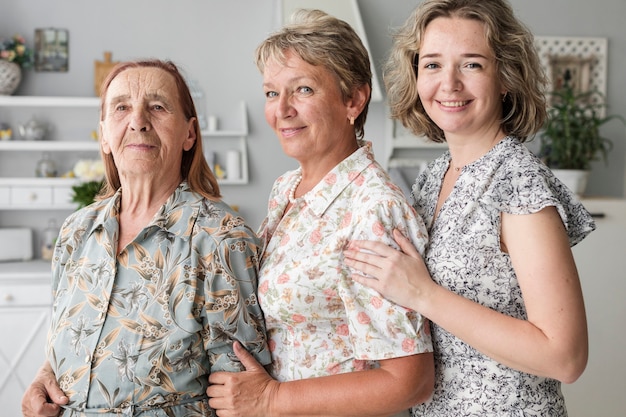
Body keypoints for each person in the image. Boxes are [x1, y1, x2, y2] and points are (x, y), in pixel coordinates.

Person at [342, 0, 596, 416]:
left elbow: (565, 357)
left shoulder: (517, 180)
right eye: (433, 65)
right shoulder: (432, 176)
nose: (450, 84)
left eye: (472, 65)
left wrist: (423, 294)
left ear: (506, 78)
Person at [206, 9, 434, 417]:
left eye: (304, 90)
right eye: (272, 93)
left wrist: (270, 399)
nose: (282, 110)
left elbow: (409, 381)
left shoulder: (373, 211)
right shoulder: (286, 189)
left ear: (353, 99)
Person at [21, 59, 270, 417]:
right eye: (121, 107)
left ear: (189, 133)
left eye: (157, 106)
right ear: (104, 134)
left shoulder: (221, 240)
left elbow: (244, 395)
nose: (138, 120)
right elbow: (67, 346)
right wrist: (43, 378)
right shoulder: (76, 231)